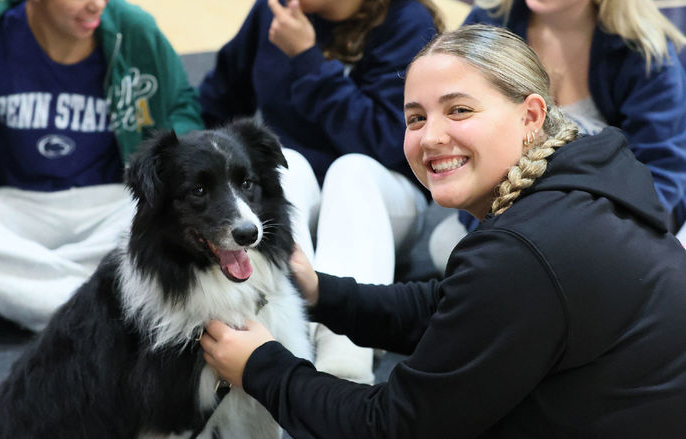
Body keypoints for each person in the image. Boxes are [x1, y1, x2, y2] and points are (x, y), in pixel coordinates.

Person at [200, 25, 686, 438]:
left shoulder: (525, 252)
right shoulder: (577, 188)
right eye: (416, 118)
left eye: (459, 110)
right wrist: (322, 290)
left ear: (531, 117)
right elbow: (452, 309)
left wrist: (262, 366)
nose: (430, 136)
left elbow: (394, 426)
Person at [0, 0, 203, 337]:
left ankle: (1, 293)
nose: (97, 5)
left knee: (273, 175)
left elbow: (180, 106)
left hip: (112, 205)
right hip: (17, 206)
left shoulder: (134, 29)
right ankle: (105, 307)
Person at [198, 0, 445, 384]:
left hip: (382, 189)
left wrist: (308, 60)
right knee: (286, 164)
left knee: (351, 170)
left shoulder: (405, 19)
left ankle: (344, 361)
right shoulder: (273, 11)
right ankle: (281, 341)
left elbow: (386, 140)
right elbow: (219, 101)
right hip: (303, 195)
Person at [428, 0, 686, 273]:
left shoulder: (643, 47)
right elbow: (465, 155)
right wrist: (499, 225)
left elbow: (662, 172)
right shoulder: (487, 27)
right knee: (448, 246)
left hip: (606, 217)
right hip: (506, 208)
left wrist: (589, 231)